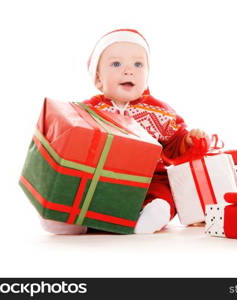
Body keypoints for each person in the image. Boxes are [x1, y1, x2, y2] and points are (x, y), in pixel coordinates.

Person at [40, 29, 208, 235]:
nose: (129, 71)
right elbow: (73, 143)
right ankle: (75, 221)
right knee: (86, 192)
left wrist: (189, 140)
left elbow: (174, 143)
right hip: (103, 180)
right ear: (98, 78)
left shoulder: (159, 111)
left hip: (148, 180)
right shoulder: (89, 111)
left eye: (138, 64)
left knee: (162, 194)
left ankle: (152, 214)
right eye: (116, 64)